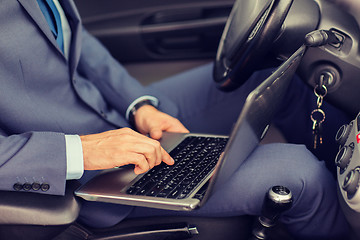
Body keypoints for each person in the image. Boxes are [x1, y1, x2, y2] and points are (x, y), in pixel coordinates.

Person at [0, 0, 353, 239]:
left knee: (280, 80)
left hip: (116, 117)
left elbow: (77, 42)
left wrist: (140, 105)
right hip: (75, 177)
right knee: (299, 174)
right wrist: (79, 151)